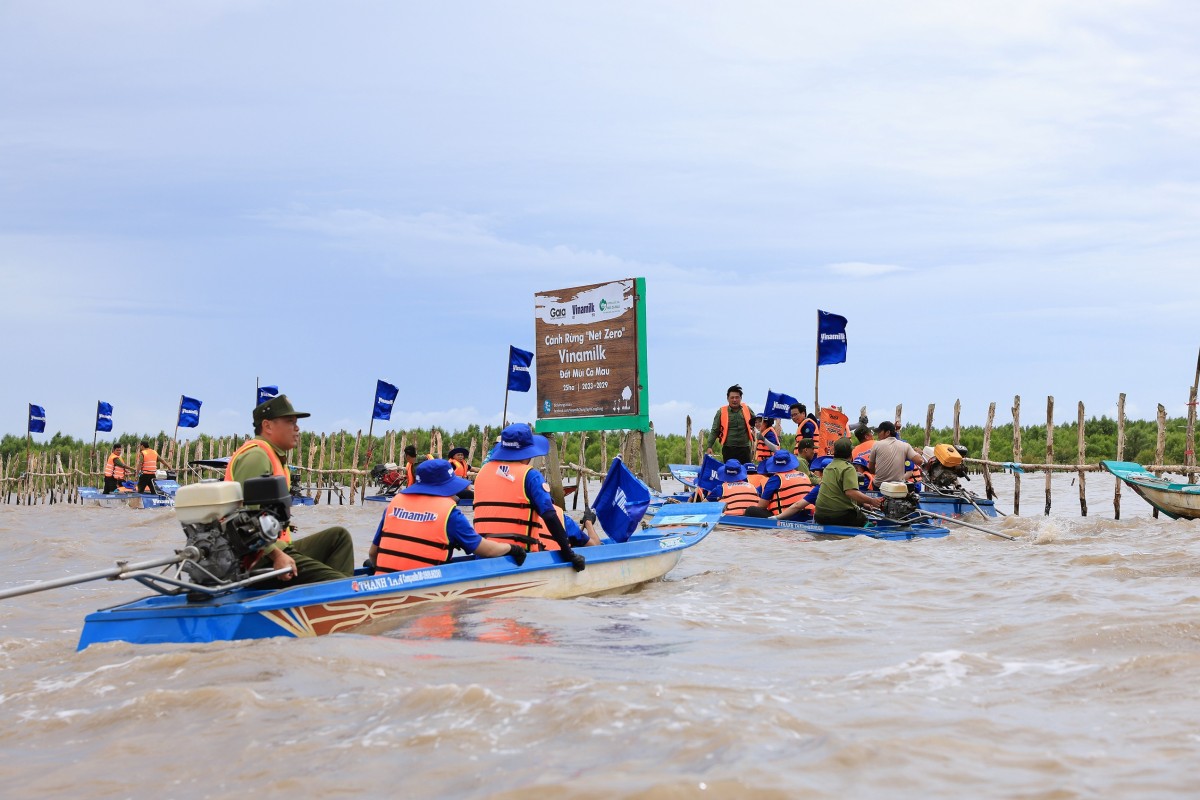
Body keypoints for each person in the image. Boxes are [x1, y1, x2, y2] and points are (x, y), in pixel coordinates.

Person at [225, 395, 355, 586]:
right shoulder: (256, 456)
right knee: (342, 584)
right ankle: (340, 591)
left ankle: (328, 592)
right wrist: (276, 555)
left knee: (338, 537)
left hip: (279, 548)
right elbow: (244, 521)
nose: (297, 428)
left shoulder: (273, 455)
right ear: (268, 426)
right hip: (258, 557)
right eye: (290, 422)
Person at [368, 459, 527, 573]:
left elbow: (373, 554)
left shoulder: (393, 505)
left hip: (384, 582)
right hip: (425, 587)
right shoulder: (450, 515)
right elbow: (487, 550)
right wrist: (512, 548)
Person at [472, 423, 586, 570]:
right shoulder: (531, 476)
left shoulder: (482, 473)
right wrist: (569, 554)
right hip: (519, 558)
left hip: (483, 556)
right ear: (527, 453)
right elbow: (549, 515)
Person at [815, 438, 884, 527]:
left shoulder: (828, 467)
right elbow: (850, 492)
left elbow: (837, 494)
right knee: (863, 519)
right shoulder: (848, 468)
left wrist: (863, 504)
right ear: (850, 453)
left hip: (820, 515)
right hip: (839, 515)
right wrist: (872, 501)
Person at [755, 449, 814, 517]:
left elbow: (762, 506)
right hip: (809, 515)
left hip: (786, 517)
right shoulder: (804, 475)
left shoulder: (775, 479)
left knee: (751, 510)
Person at [706, 384, 755, 465]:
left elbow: (757, 422)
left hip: (745, 448)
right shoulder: (721, 412)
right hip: (729, 449)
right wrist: (709, 446)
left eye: (737, 397)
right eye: (732, 397)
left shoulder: (747, 409)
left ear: (741, 398)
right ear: (727, 399)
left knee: (746, 471)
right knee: (730, 471)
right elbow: (714, 430)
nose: (734, 400)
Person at [774, 455, 830, 521]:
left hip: (826, 520)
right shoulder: (841, 485)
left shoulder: (819, 488)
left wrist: (777, 517)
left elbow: (797, 506)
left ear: (820, 474)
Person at [868, 421, 924, 485]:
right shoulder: (905, 445)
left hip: (879, 485)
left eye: (879, 432)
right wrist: (917, 452)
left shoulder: (876, 444)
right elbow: (920, 461)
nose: (878, 435)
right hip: (898, 486)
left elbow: (871, 469)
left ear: (887, 432)